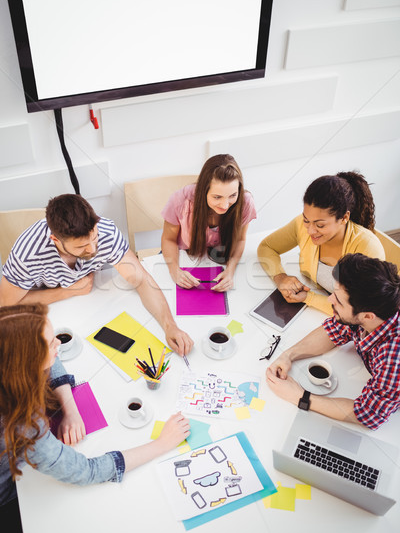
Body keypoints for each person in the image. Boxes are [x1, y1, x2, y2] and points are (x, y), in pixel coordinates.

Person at [0, 303, 190, 507]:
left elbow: (50, 360)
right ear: (25, 362)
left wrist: (70, 410)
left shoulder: (9, 359)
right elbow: (86, 471)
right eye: (49, 343)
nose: (58, 344)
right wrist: (162, 443)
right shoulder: (26, 427)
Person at [0, 194, 193, 356]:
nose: (93, 249)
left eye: (94, 237)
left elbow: (141, 280)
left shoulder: (106, 232)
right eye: (82, 246)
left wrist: (170, 327)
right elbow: (7, 304)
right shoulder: (28, 253)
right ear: (56, 240)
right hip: (44, 311)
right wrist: (68, 291)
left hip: (89, 307)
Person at [266, 253, 400, 430]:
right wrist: (288, 356)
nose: (330, 300)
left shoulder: (394, 357)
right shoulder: (371, 309)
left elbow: (369, 413)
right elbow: (333, 330)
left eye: (338, 301)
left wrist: (300, 396)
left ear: (368, 316)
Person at [257, 171, 385, 315]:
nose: (310, 231)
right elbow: (267, 247)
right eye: (307, 220)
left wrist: (309, 298)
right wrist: (280, 277)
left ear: (344, 218)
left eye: (320, 225)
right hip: (316, 312)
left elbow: (359, 311)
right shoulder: (301, 225)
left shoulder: (367, 247)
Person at [161, 154, 257, 291]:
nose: (225, 205)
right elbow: (168, 239)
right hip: (182, 256)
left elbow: (240, 239)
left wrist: (230, 270)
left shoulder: (245, 202)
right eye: (217, 197)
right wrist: (175, 271)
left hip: (218, 259)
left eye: (232, 195)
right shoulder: (181, 200)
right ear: (203, 191)